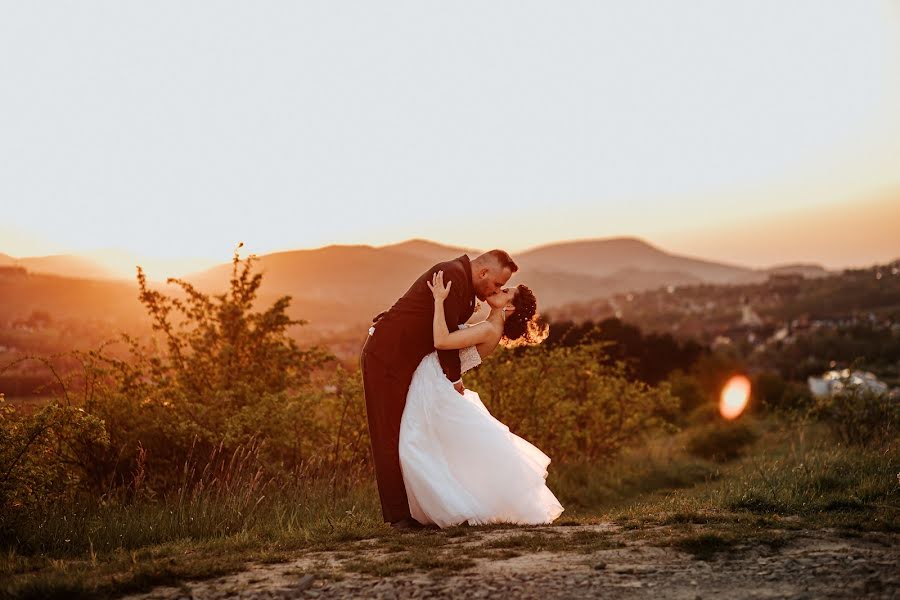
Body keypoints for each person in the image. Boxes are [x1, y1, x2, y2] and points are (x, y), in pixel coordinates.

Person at [359, 250, 517, 528]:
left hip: (408, 363)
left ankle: (419, 508)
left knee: (408, 434)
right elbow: (444, 344)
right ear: (483, 273)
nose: (496, 290)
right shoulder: (453, 275)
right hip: (386, 359)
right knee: (388, 434)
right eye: (495, 285)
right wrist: (453, 379)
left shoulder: (465, 288)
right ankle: (398, 518)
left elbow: (436, 321)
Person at [398, 270, 564, 528]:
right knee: (431, 448)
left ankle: (447, 509)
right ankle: (444, 507)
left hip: (433, 384)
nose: (500, 289)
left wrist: (440, 301)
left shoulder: (490, 329)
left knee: (414, 445)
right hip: (434, 380)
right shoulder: (488, 324)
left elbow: (442, 341)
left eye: (507, 292)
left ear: (509, 306)